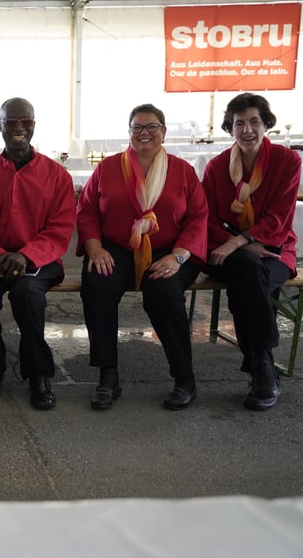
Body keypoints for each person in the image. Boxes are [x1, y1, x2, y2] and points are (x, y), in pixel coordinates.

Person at [77, 103, 208, 411]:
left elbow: (199, 217)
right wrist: (95, 247)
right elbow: (86, 211)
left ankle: (184, 378)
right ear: (130, 132)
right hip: (117, 247)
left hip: (170, 250)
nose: (144, 133)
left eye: (151, 127)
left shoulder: (182, 170)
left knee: (163, 291)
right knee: (97, 283)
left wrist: (177, 257)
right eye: (137, 128)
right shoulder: (108, 168)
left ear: (163, 132)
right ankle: (108, 375)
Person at [0, 98, 76, 410]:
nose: (18, 128)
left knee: (27, 294)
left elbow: (60, 228)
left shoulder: (56, 175)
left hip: (38, 260)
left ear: (34, 125)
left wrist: (25, 256)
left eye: (24, 121)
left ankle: (39, 374)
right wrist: (0, 256)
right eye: (10, 122)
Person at [202, 93, 300, 411]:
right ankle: (264, 366)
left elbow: (280, 218)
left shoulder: (288, 162)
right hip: (222, 252)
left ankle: (259, 363)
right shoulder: (216, 168)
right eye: (239, 123)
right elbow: (207, 218)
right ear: (229, 128)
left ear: (266, 124)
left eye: (254, 121)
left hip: (275, 250)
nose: (247, 130)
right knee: (248, 270)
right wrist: (238, 243)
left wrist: (242, 241)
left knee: (249, 274)